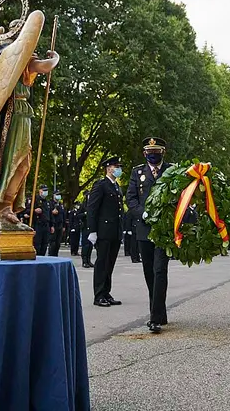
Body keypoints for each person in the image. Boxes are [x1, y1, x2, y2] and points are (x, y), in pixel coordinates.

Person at [0, 9, 60, 224]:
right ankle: (3, 205)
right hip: (16, 114)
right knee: (19, 160)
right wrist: (55, 58)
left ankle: (2, 203)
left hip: (5, 114)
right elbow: (44, 66)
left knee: (12, 160)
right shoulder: (15, 54)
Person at [127, 137, 173, 333]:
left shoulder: (171, 171)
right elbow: (130, 197)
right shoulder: (137, 172)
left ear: (163, 152)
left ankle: (154, 318)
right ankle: (159, 312)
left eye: (156, 151)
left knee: (160, 270)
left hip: (164, 229)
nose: (152, 154)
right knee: (149, 272)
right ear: (144, 153)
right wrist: (141, 212)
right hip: (144, 229)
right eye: (149, 151)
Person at [87, 156, 124, 307]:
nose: (118, 169)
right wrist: (92, 230)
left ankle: (106, 292)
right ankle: (98, 295)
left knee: (110, 263)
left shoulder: (116, 186)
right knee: (102, 263)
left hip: (114, 231)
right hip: (103, 231)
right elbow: (92, 208)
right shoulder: (101, 185)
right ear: (109, 168)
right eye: (116, 166)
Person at [29, 185, 52, 256]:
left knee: (45, 244)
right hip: (38, 224)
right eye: (44, 190)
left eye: (46, 190)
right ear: (40, 191)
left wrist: (51, 225)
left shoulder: (47, 202)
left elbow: (50, 214)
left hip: (46, 225)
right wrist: (34, 211)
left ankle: (43, 257)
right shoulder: (34, 200)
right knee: (37, 244)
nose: (45, 192)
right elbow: (26, 211)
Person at [79, 191, 94, 268]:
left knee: (90, 245)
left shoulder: (93, 205)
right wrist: (85, 214)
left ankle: (88, 260)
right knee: (85, 245)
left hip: (91, 227)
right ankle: (84, 261)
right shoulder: (83, 205)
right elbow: (78, 215)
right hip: (85, 226)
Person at [48, 190, 65, 256]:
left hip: (60, 225)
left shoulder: (61, 204)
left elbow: (63, 215)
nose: (58, 196)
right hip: (54, 225)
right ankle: (51, 255)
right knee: (53, 242)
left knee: (58, 243)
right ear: (54, 195)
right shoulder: (50, 203)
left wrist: (63, 226)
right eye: (57, 195)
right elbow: (48, 214)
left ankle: (56, 255)